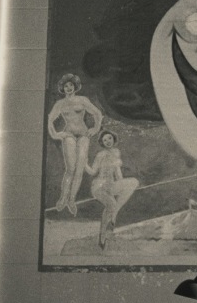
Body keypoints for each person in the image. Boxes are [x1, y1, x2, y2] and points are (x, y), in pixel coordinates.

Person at [47, 73, 103, 216]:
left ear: (75, 86)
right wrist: (55, 134)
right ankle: (63, 198)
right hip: (69, 135)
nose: (68, 88)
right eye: (66, 86)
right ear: (63, 88)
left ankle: (71, 200)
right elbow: (49, 119)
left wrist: (95, 128)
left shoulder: (82, 100)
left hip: (84, 134)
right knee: (70, 169)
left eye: (71, 85)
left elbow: (97, 113)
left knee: (79, 170)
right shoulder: (60, 104)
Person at [86, 130, 140, 249]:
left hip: (111, 185)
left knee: (134, 182)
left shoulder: (116, 152)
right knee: (111, 205)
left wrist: (121, 184)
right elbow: (93, 171)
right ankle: (102, 237)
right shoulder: (100, 154)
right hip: (99, 186)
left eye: (109, 138)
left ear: (113, 138)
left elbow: (117, 172)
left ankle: (115, 213)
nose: (108, 141)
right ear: (102, 142)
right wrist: (83, 163)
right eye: (105, 140)